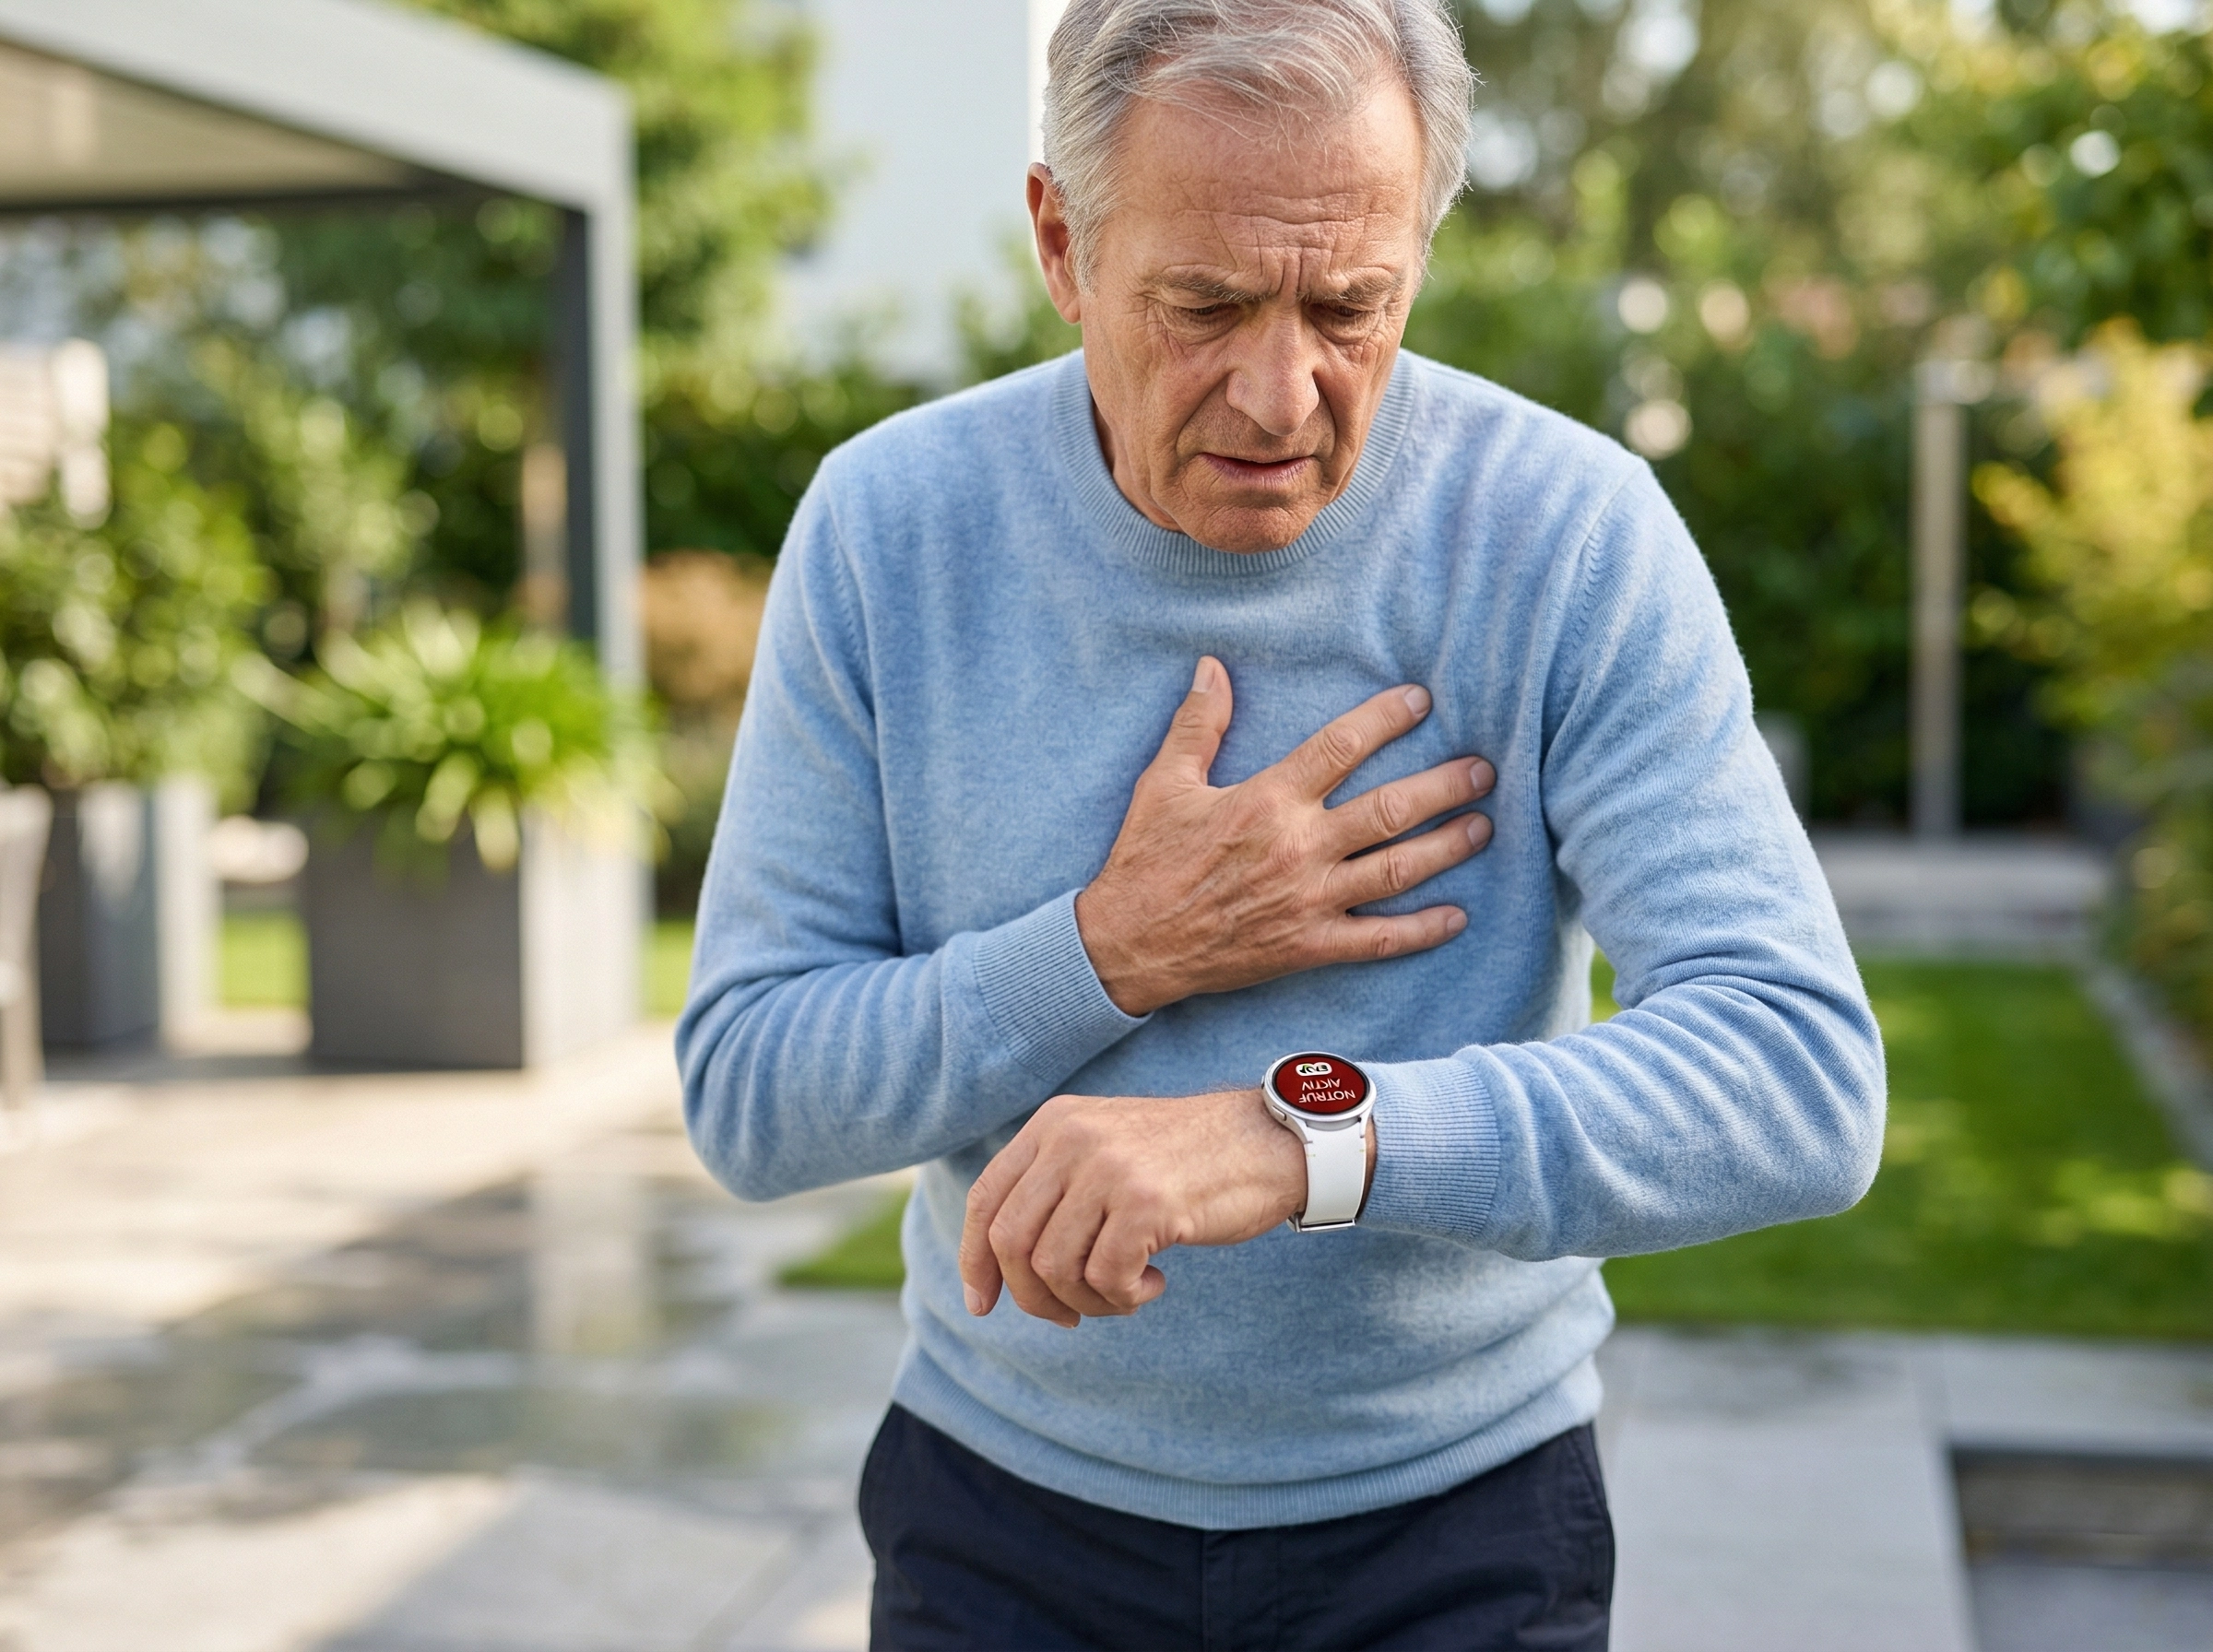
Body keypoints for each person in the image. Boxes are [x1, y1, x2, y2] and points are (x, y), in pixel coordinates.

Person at [677, 0, 1886, 1645]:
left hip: (1455, 1528)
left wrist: (1301, 1132)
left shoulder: (1569, 535)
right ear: (1061, 242)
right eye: (1206, 305)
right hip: (1003, 1521)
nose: (1280, 390)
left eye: (1351, 305)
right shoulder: (891, 529)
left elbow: (1797, 1077)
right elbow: (751, 1092)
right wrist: (1113, 950)